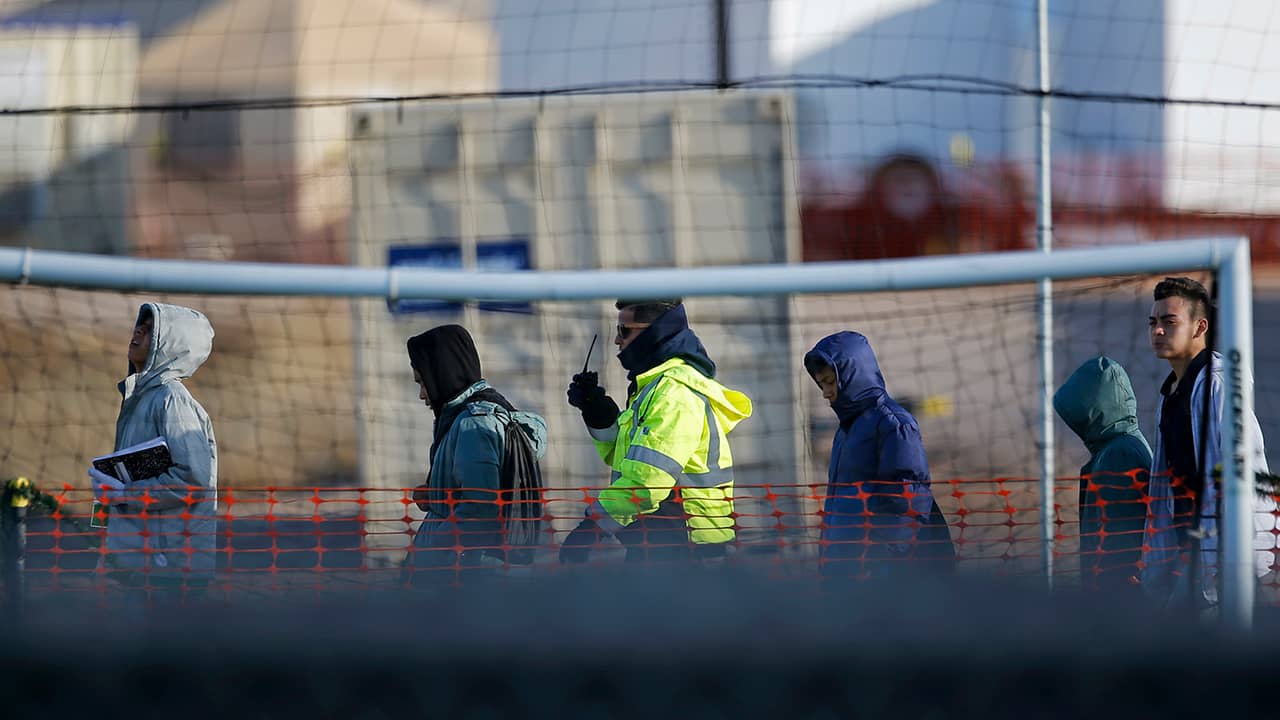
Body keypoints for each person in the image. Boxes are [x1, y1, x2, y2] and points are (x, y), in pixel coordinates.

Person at [561, 299, 752, 564]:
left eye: (624, 331)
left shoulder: (674, 393)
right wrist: (596, 409)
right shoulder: (651, 388)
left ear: (654, 333)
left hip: (685, 550)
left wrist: (594, 526)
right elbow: (627, 460)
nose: (617, 341)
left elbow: (649, 482)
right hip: (659, 542)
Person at [1141, 276, 1277, 609]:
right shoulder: (1172, 391)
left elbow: (1239, 477)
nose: (1158, 331)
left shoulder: (1217, 386)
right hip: (1191, 560)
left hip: (1228, 565)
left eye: (1169, 322)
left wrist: (1227, 564)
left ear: (1200, 327)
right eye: (1154, 322)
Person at [87, 303, 217, 604]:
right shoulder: (140, 397)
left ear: (169, 345)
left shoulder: (172, 400)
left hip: (168, 567)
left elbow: (192, 480)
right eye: (139, 325)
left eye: (149, 329)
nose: (138, 331)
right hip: (141, 561)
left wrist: (124, 494)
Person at [402, 324, 548, 586]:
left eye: (423, 382)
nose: (422, 394)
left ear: (442, 373)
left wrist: (430, 551)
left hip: (468, 575)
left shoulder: (474, 424)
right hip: (469, 571)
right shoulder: (469, 417)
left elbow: (479, 510)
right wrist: (437, 493)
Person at [803, 331, 954, 579]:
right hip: (847, 570)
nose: (825, 392)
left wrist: (880, 566)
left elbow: (906, 502)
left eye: (830, 382)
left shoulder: (894, 424)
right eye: (821, 384)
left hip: (877, 575)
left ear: (852, 377)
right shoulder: (846, 430)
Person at [1053, 356, 1151, 593]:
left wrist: (1108, 593)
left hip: (1120, 599)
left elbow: (1120, 539)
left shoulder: (1119, 454)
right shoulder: (1120, 446)